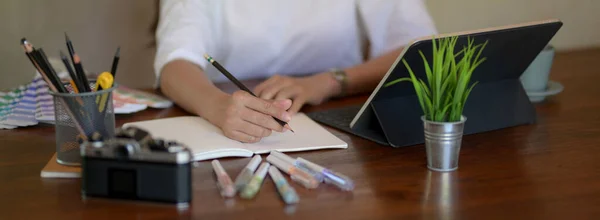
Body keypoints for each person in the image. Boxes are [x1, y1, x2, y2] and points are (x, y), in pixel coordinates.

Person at [154, 0, 437, 143]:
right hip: (231, 110)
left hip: (341, 112)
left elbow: (421, 47)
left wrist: (330, 82)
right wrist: (217, 106)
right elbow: (175, 63)